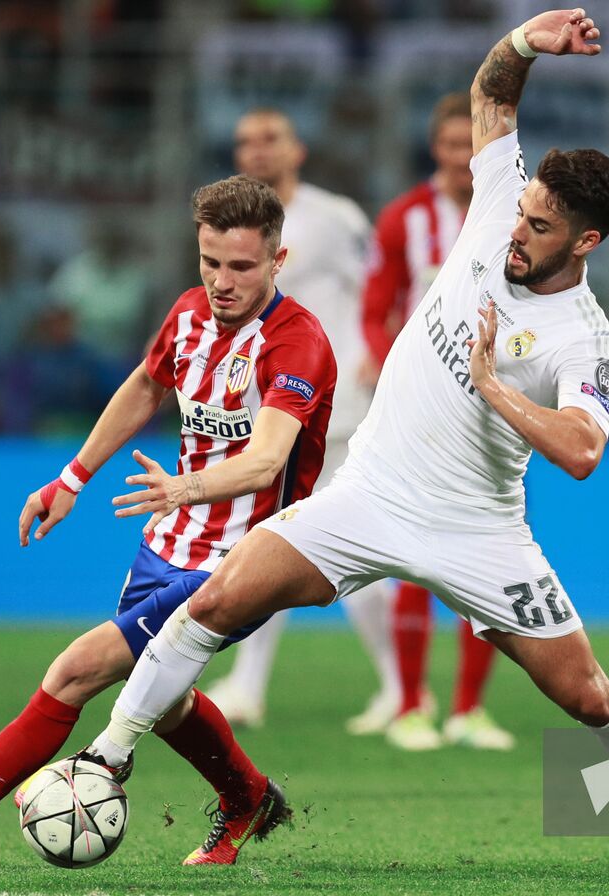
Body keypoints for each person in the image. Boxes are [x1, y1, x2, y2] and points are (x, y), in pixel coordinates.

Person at [82, 9, 609, 885]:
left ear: (587, 242)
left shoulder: (581, 339)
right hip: (367, 491)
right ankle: (108, 756)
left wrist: (491, 389)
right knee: (216, 601)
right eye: (522, 215)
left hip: (478, 529)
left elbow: (583, 450)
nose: (518, 234)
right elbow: (491, 94)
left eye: (543, 230)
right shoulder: (493, 208)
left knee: (584, 696)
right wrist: (526, 41)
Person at [0, 175, 336, 870]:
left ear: (277, 260)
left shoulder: (295, 344)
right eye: (210, 262)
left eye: (242, 266)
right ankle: (248, 798)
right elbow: (148, 383)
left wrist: (187, 487)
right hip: (166, 546)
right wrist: (72, 477)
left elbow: (267, 461)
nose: (223, 281)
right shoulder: (187, 314)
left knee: (76, 672)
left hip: (241, 560)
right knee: (167, 700)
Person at [204, 107, 403, 733]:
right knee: (262, 546)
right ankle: (250, 684)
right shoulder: (236, 232)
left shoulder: (334, 218)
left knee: (349, 551)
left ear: (298, 150)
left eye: (270, 139)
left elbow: (381, 292)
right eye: (244, 141)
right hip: (267, 412)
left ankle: (402, 688)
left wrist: (379, 356)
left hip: (337, 412)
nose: (256, 150)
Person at [362, 90, 513, 752]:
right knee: (411, 554)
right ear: (436, 149)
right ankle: (410, 706)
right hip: (419, 407)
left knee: (490, 550)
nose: (461, 159)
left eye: (471, 147)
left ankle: (469, 709)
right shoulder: (404, 219)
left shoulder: (516, 216)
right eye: (452, 146)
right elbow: (374, 308)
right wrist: (384, 364)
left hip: (493, 409)